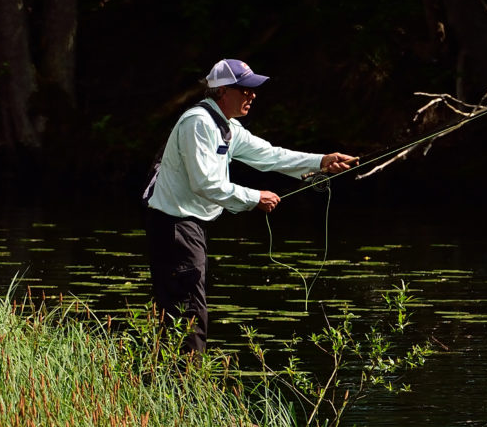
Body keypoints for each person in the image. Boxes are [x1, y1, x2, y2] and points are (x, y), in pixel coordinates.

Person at [144, 58, 356, 354]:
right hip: (175, 227)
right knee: (189, 312)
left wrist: (321, 161)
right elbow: (204, 183)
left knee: (185, 309)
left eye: (252, 90)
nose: (252, 95)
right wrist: (255, 197)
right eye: (245, 89)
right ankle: (185, 388)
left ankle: (175, 385)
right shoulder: (199, 123)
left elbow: (271, 156)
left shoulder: (227, 126)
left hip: (187, 227)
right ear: (222, 91)